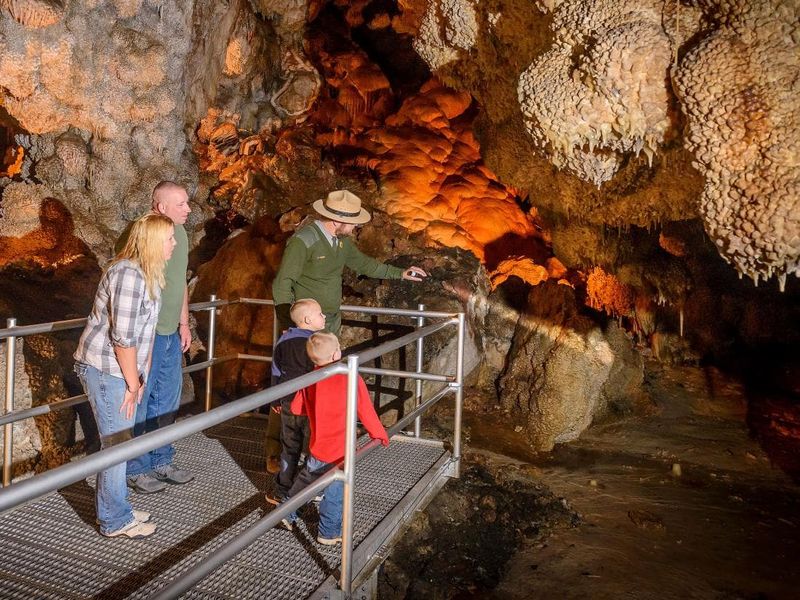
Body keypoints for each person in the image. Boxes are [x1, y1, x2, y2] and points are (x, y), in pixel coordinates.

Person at [73, 213, 176, 538]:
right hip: (107, 370)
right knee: (116, 445)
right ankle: (114, 519)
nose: (174, 244)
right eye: (169, 238)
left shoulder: (148, 274)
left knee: (121, 443)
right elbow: (124, 338)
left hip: (124, 371)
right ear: (153, 242)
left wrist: (139, 378)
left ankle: (117, 506)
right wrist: (133, 383)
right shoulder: (128, 275)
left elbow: (145, 335)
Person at [278, 332, 389, 545]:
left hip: (318, 445)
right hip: (340, 449)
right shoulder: (350, 376)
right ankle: (328, 532)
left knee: (307, 481)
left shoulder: (311, 378)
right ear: (337, 352)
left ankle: (286, 512)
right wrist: (379, 434)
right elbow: (365, 409)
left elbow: (296, 407)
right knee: (335, 491)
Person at [272, 189, 428, 335]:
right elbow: (282, 283)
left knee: (332, 364)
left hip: (331, 321)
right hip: (307, 325)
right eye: (353, 223)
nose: (355, 227)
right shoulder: (304, 241)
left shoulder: (342, 241)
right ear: (336, 221)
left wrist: (400, 273)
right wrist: (291, 325)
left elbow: (365, 264)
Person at [126, 181, 194, 494]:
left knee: (166, 398)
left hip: (169, 332)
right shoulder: (145, 233)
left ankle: (161, 459)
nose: (188, 209)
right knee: (141, 399)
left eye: (187, 202)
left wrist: (184, 324)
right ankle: (136, 466)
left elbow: (179, 282)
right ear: (160, 206)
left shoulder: (179, 234)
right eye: (180, 204)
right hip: (147, 333)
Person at [265, 299, 326, 504]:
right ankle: (312, 487)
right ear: (308, 319)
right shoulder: (317, 343)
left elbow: (275, 371)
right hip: (310, 403)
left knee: (289, 446)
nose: (324, 316)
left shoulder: (282, 341)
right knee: (312, 446)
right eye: (320, 314)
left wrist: (275, 398)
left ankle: (283, 488)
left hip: (288, 402)